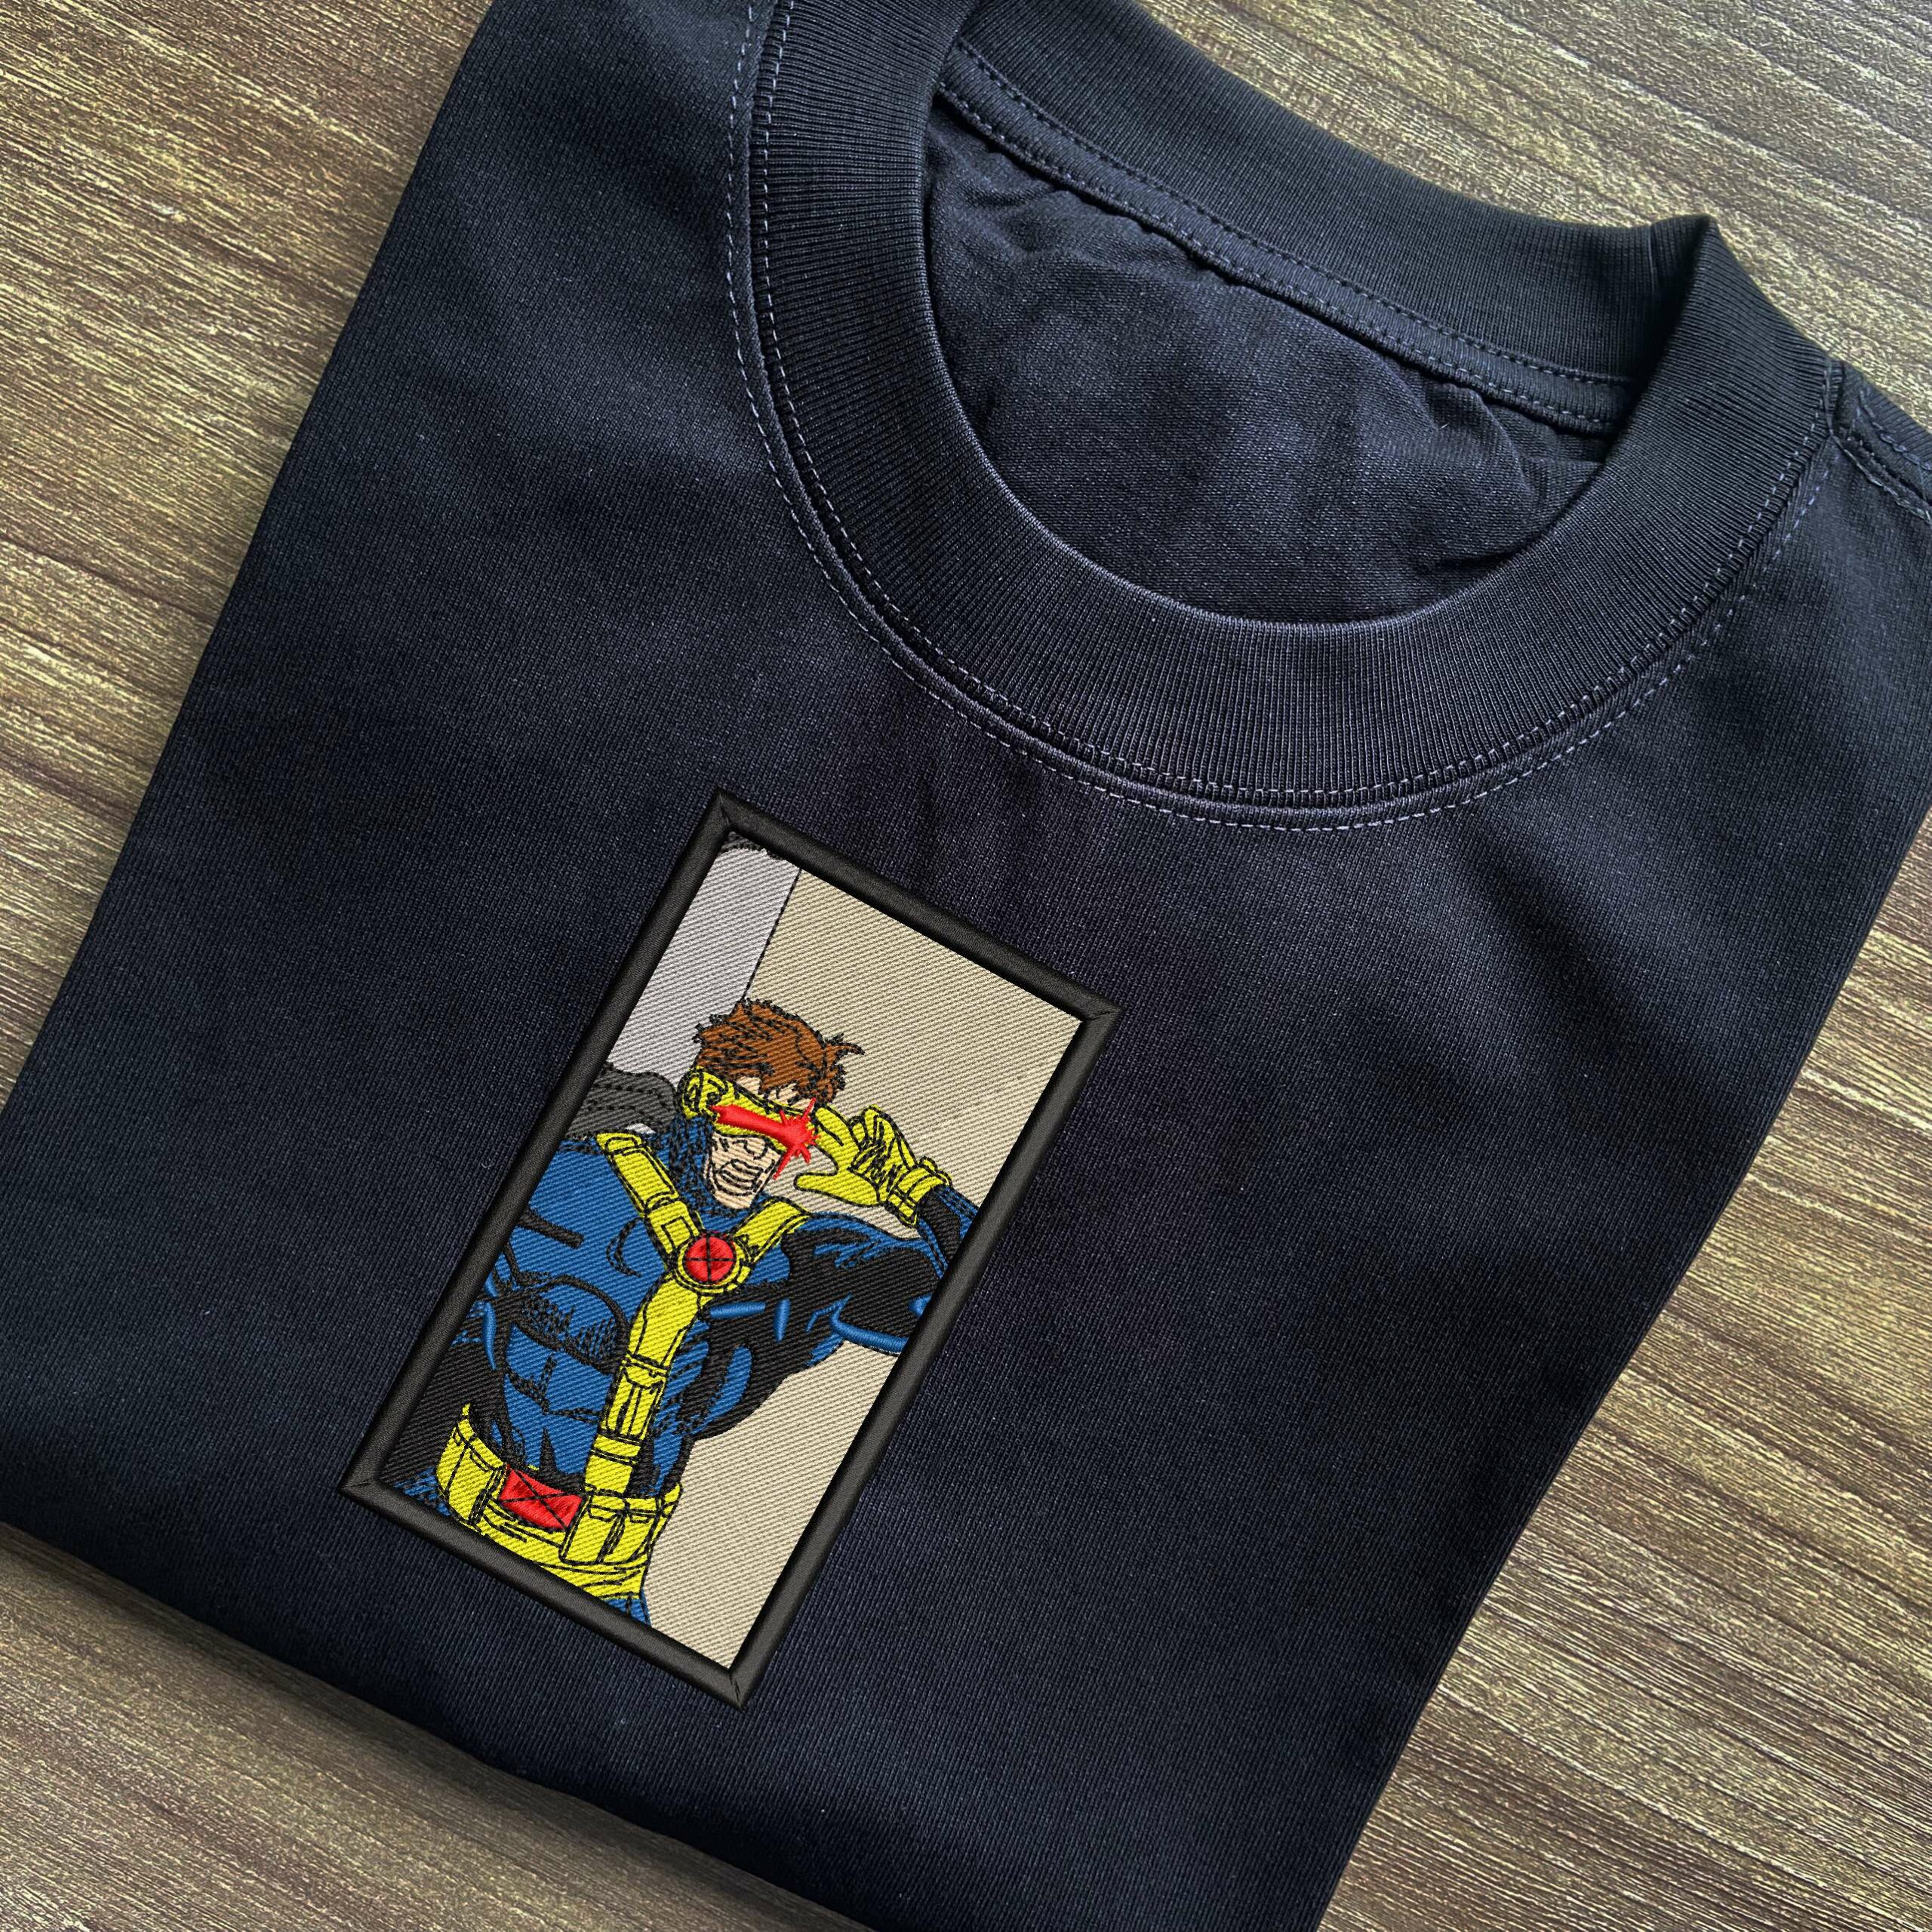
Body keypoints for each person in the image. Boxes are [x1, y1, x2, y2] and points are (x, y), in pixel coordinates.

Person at [398, 997, 974, 1624]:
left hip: (595, 1582)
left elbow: (982, 1318)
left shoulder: (797, 1261)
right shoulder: (568, 1176)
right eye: (746, 1126)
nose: (759, 1157)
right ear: (700, 1097)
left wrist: (916, 1192)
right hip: (435, 1500)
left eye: (784, 1138)